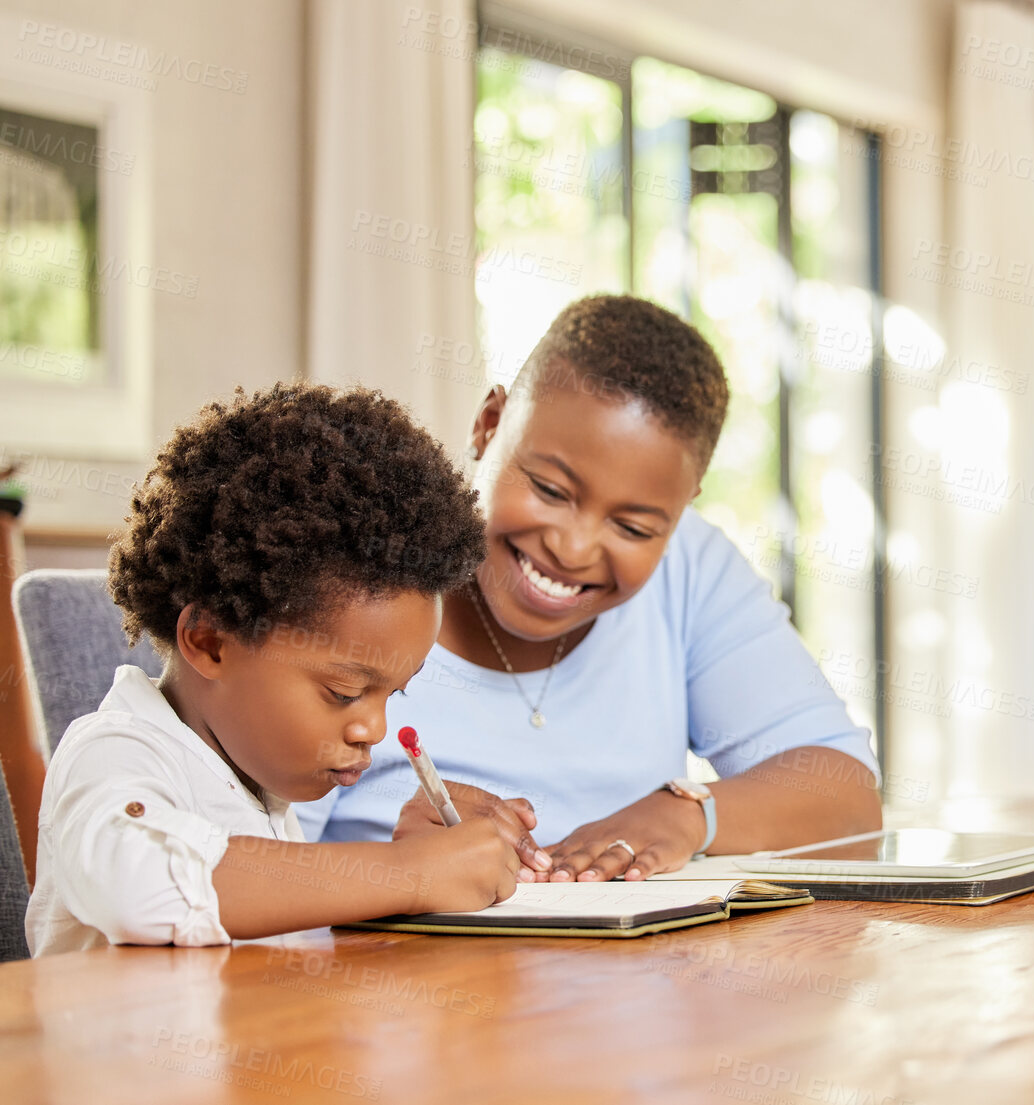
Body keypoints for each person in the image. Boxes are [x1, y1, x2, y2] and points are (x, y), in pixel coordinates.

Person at [300, 296, 882, 879]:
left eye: (633, 527)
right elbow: (235, 870)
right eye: (550, 490)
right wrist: (400, 873)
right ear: (489, 425)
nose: (573, 550)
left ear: (678, 514)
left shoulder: (691, 567)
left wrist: (686, 816)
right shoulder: (356, 570)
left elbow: (850, 805)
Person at [28, 384, 528, 955]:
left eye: (393, 695)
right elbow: (139, 885)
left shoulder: (258, 787)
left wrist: (419, 864)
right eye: (344, 693)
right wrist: (401, 871)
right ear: (210, 641)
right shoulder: (115, 751)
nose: (375, 730)